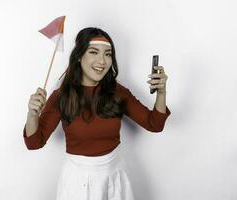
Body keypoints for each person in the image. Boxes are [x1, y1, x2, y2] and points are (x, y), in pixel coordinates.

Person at [23, 27, 171, 200]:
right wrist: (32, 114)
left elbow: (155, 124)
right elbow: (34, 143)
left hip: (115, 177)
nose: (102, 61)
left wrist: (161, 93)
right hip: (76, 181)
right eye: (94, 52)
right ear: (79, 56)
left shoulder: (118, 92)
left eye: (108, 54)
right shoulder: (61, 96)